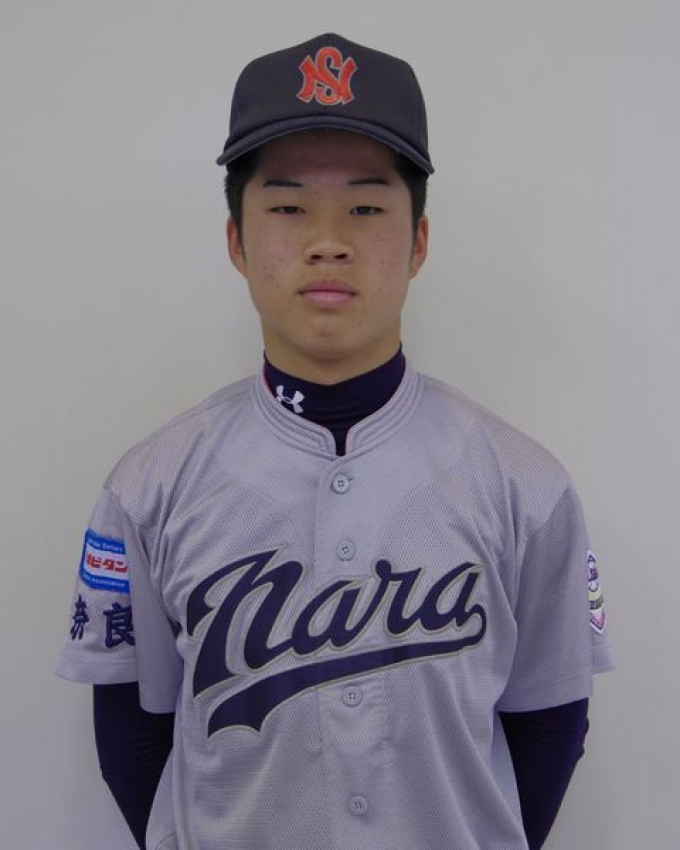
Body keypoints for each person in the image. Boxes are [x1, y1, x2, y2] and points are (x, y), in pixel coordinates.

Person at [57, 32, 614, 850]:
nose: (328, 240)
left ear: (419, 242)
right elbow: (132, 736)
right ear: (237, 242)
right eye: (287, 208)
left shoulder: (527, 488)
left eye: (366, 207)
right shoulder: (148, 487)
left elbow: (550, 721)